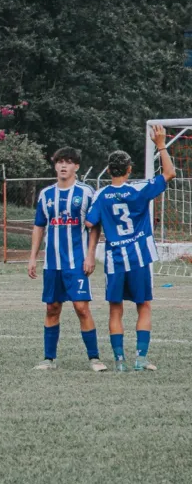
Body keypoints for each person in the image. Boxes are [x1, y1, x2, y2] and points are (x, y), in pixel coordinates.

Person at [86, 125, 176, 372]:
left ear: (108, 169)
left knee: (116, 309)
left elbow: (89, 222)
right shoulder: (138, 189)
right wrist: (160, 144)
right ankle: (140, 358)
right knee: (143, 305)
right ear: (128, 169)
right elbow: (170, 172)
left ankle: (119, 361)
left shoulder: (101, 194)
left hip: (115, 259)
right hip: (139, 257)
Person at [27, 148, 105, 371]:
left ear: (76, 167)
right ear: (55, 165)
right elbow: (39, 226)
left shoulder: (86, 192)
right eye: (60, 161)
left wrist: (91, 255)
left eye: (68, 162)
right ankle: (49, 358)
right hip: (52, 263)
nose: (63, 166)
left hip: (77, 262)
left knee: (81, 307)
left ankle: (94, 358)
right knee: (52, 307)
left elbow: (94, 226)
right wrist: (33, 258)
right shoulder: (46, 194)